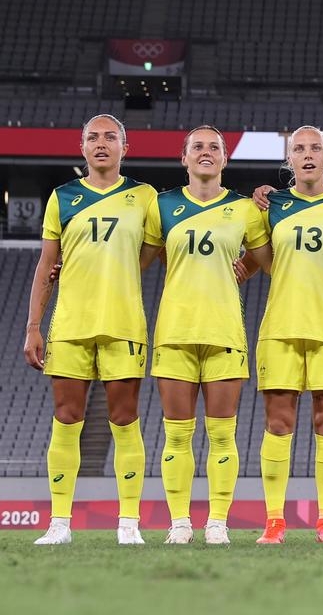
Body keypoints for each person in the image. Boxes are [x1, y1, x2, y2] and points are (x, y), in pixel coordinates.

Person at [25, 114, 158, 546]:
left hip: (123, 323)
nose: (101, 144)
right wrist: (33, 326)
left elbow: (160, 246)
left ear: (125, 146)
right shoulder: (62, 197)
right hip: (70, 324)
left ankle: (129, 524)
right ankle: (59, 523)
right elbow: (47, 265)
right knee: (66, 419)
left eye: (110, 137)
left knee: (125, 419)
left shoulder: (145, 197)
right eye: (92, 138)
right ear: (81, 148)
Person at [143, 126, 272, 545]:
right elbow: (138, 259)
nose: (205, 152)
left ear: (224, 158)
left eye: (213, 147)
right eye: (197, 146)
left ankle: (217, 521)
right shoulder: (161, 206)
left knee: (222, 433)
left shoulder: (244, 210)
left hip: (224, 332)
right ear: (184, 158)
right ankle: (179, 522)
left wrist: (245, 269)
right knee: (177, 433)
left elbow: (268, 261)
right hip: (175, 331)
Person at [252, 125, 323, 545]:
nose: (307, 154)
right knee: (279, 424)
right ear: (289, 160)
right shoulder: (271, 206)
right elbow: (261, 262)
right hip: (281, 326)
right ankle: (274, 522)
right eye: (298, 149)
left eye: (314, 148)